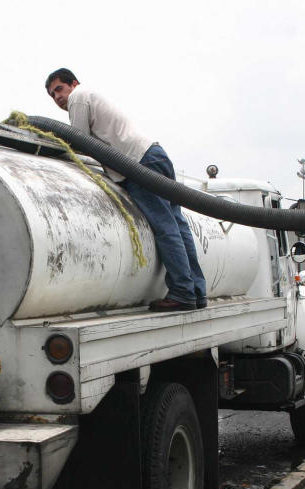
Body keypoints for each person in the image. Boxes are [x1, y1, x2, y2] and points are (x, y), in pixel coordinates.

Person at [45, 68, 207, 312]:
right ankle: (196, 291)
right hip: (154, 154)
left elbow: (77, 143)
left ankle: (183, 292)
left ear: (73, 83)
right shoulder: (92, 96)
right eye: (51, 95)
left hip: (137, 163)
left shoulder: (79, 98)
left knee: (165, 228)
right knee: (177, 224)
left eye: (59, 89)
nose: (57, 97)